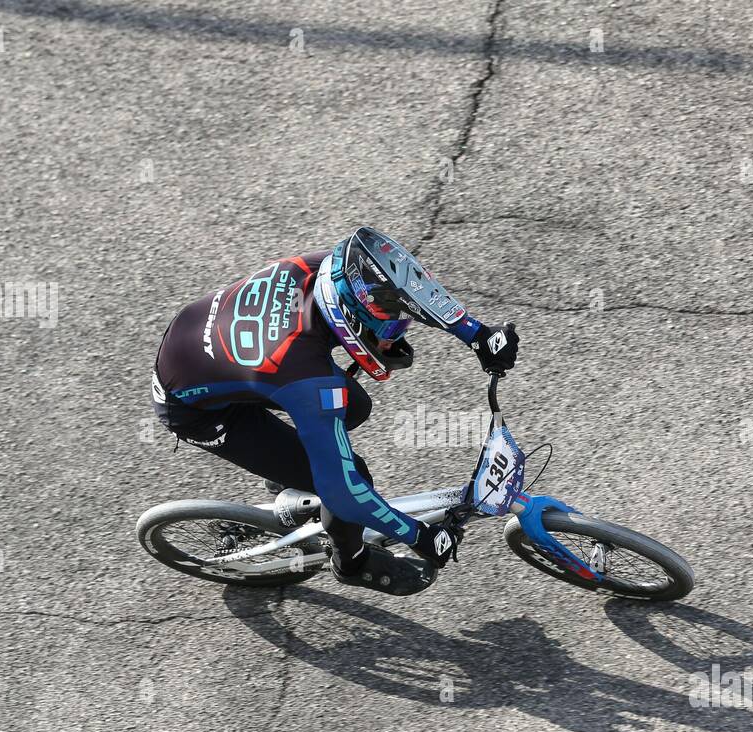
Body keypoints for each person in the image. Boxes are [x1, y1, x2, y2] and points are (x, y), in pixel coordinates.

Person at [151, 226, 520, 595]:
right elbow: (344, 491)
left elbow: (408, 286)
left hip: (207, 343)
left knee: (355, 407)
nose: (393, 334)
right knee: (350, 475)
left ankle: (295, 472)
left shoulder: (331, 267)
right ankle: (352, 562)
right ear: (352, 317)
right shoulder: (306, 379)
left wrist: (478, 334)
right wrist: (418, 535)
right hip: (196, 408)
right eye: (388, 327)